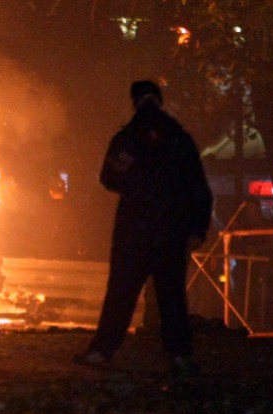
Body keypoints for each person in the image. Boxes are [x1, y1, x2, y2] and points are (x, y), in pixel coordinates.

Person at [75, 80, 214, 375]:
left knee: (121, 292)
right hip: (170, 231)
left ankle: (102, 350)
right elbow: (199, 189)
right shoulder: (180, 140)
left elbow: (108, 179)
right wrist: (197, 229)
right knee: (172, 295)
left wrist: (127, 175)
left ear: (135, 102)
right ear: (160, 101)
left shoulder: (127, 138)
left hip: (133, 231)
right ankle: (179, 355)